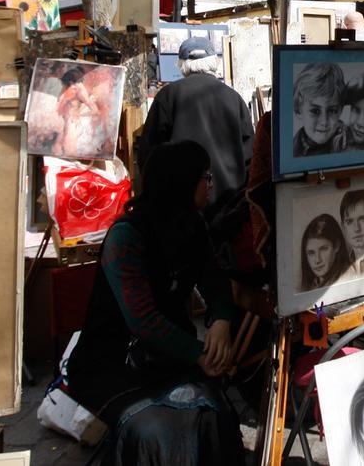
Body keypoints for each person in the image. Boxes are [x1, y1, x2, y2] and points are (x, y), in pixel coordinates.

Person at [65, 140, 242, 464]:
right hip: (114, 364)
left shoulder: (192, 224)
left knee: (215, 416)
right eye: (205, 177)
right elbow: (142, 320)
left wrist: (221, 320)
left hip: (167, 357)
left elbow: (213, 277)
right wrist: (198, 354)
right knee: (153, 430)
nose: (210, 184)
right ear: (181, 182)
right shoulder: (127, 237)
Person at [137, 36, 253, 214]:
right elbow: (250, 155)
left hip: (180, 203)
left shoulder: (168, 96)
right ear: (214, 62)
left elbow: (149, 154)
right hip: (229, 204)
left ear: (182, 64)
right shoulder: (234, 98)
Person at [291, 62, 347, 156]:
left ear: (340, 110)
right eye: (315, 111)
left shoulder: (351, 145)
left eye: (332, 111)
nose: (324, 122)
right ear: (298, 111)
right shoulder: (290, 151)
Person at [298, 213, 351, 291]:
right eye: (311, 253)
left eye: (323, 249)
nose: (317, 260)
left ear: (336, 246)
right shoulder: (312, 284)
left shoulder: (347, 280)